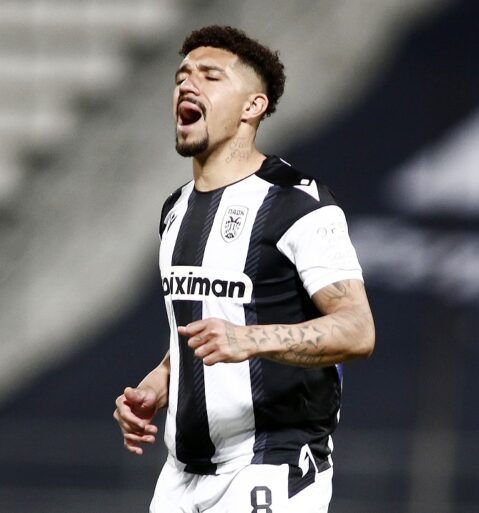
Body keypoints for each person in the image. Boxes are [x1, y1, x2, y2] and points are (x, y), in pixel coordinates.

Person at [113, 25, 375, 513]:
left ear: (253, 106)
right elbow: (204, 328)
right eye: (182, 76)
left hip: (270, 464)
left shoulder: (297, 203)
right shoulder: (176, 209)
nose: (187, 85)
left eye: (210, 76)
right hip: (181, 474)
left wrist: (250, 339)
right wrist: (158, 383)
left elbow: (358, 329)